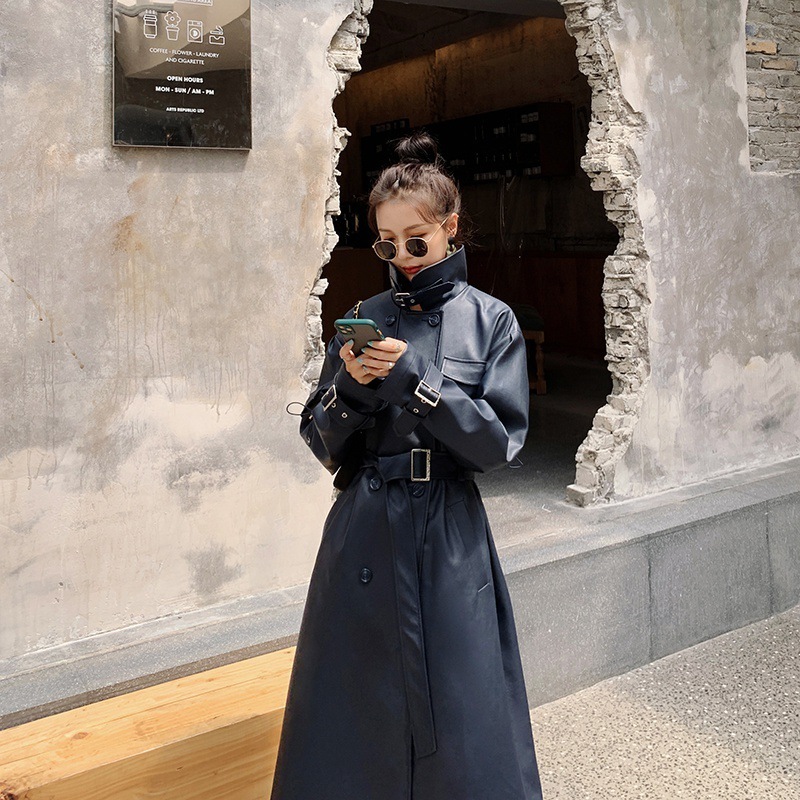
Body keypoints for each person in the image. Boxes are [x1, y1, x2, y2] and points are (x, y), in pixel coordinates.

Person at [272, 130, 544, 800]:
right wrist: (354, 390)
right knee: (352, 703)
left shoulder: (492, 322)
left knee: (462, 701)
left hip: (448, 530)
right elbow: (321, 442)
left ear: (450, 227)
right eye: (386, 245)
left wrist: (418, 384)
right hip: (365, 526)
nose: (403, 258)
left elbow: (497, 445)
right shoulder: (362, 317)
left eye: (416, 242)